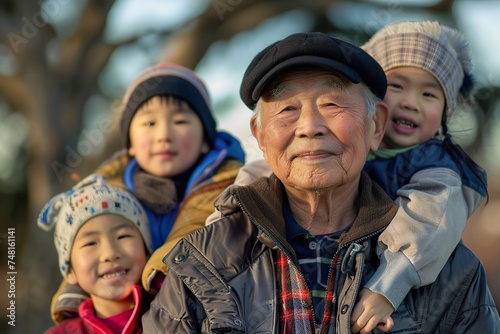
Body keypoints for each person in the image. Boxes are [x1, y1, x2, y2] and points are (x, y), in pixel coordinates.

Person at [142, 32, 500, 333]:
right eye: (287, 109)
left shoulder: (452, 273)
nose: (310, 126)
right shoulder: (201, 264)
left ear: (376, 126)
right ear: (260, 136)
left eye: (332, 104)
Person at [51, 62, 246, 323]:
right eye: (149, 122)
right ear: (130, 144)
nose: (163, 135)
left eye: (180, 121)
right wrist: (72, 302)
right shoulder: (104, 196)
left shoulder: (233, 190)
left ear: (205, 140)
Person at [37, 174, 154, 333]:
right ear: (70, 271)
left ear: (146, 250)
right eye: (90, 243)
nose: (110, 253)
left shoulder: (174, 314)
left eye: (123, 236)